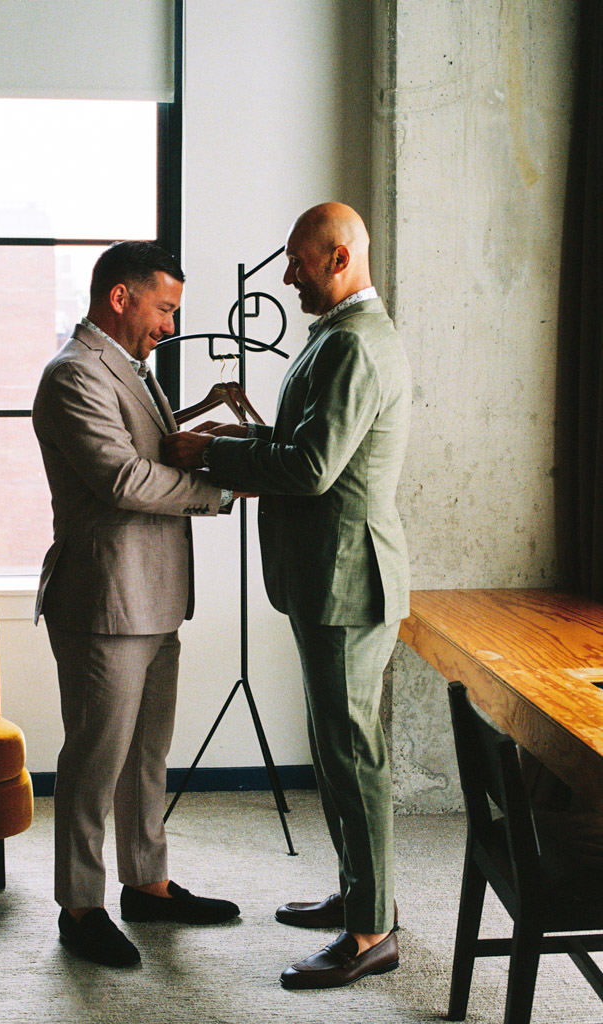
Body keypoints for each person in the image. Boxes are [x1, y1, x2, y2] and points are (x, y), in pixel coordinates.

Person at [163, 203, 411, 989]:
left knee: (351, 757)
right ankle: (360, 897)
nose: (286, 276)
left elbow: (310, 470)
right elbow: (303, 445)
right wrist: (225, 445)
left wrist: (215, 452)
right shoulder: (340, 338)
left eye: (299, 263)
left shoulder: (354, 346)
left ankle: (370, 931)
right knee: (340, 755)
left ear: (338, 259)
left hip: (346, 579)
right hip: (327, 576)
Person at [33, 241, 241, 969]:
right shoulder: (72, 375)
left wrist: (204, 437)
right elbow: (123, 479)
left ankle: (145, 885)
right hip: (104, 600)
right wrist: (222, 490)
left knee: (146, 756)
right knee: (95, 760)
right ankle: (79, 907)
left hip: (155, 597)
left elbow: (151, 449)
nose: (169, 325)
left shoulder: (129, 368)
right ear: (119, 298)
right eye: (163, 308)